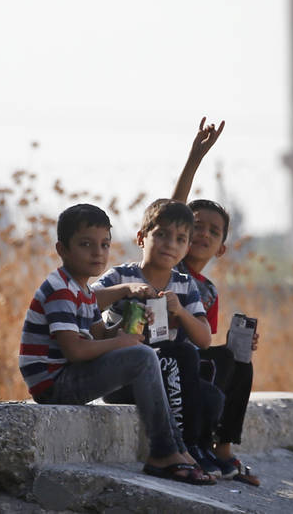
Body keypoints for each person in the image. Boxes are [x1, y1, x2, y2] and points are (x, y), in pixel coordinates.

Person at [19, 203, 213, 485]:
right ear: (62, 250)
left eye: (104, 244)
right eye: (86, 244)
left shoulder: (81, 288)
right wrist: (123, 343)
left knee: (144, 354)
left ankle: (179, 449)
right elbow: (75, 351)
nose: (97, 253)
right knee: (144, 357)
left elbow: (100, 336)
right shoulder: (61, 288)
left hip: (68, 376)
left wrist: (127, 328)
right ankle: (162, 452)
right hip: (53, 384)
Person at [91, 199, 226, 476]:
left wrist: (180, 312)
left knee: (211, 396)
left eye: (180, 239)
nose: (170, 244)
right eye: (161, 234)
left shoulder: (185, 285)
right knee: (182, 357)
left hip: (167, 375)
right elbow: (85, 301)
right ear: (142, 238)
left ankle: (198, 449)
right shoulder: (121, 275)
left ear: (186, 247)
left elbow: (204, 339)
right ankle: (183, 448)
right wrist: (125, 292)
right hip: (125, 376)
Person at [172, 118, 262, 486]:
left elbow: (203, 336)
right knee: (221, 358)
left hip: (193, 358)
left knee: (239, 360)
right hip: (166, 360)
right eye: (195, 226)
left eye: (213, 231)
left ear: (222, 248)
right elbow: (173, 208)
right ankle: (196, 445)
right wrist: (195, 159)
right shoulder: (170, 266)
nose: (202, 234)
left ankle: (223, 451)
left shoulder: (207, 289)